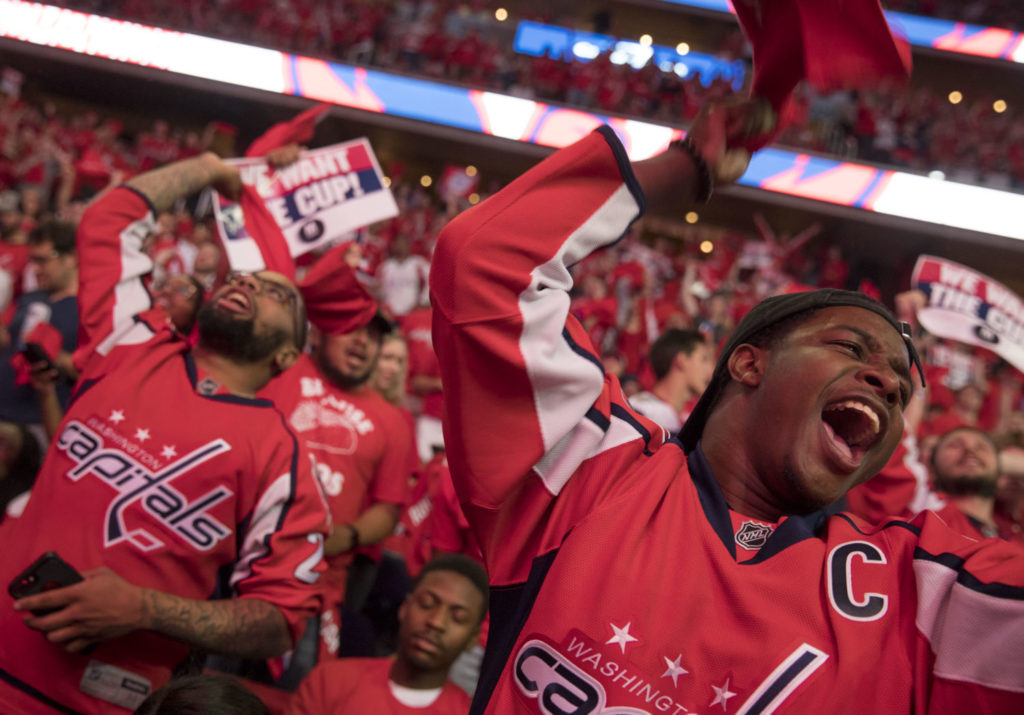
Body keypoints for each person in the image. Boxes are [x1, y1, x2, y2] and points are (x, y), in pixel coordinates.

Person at [429, 99, 1024, 713]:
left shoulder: (916, 595)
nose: (887, 383)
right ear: (749, 362)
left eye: (901, 390)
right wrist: (685, 169)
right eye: (851, 347)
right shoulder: (592, 469)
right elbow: (486, 264)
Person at [0, 151, 330, 713]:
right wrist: (210, 166)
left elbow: (277, 621)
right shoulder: (129, 343)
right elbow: (110, 218)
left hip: (98, 701)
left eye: (276, 294)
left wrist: (143, 609)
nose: (247, 284)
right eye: (243, 276)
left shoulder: (283, 460)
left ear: (287, 354)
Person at [260, 249, 414, 661]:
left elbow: (388, 506)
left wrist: (344, 537)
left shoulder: (393, 420)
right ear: (318, 333)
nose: (363, 340)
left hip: (314, 589)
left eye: (373, 333)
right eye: (351, 328)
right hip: (237, 562)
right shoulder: (278, 369)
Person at [287, 554, 487, 714]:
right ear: (404, 608)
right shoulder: (329, 682)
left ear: (472, 638)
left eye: (458, 617)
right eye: (427, 604)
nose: (436, 622)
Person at [0, 220, 79, 437]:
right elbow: (9, 342)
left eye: (42, 260)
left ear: (70, 258)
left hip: (38, 423)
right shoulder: (31, 297)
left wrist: (52, 355)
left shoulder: (88, 309)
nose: (35, 268)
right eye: (32, 260)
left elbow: (92, 370)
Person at [628, 328, 713, 432]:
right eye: (704, 359)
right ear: (682, 360)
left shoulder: (686, 419)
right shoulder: (643, 410)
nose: (711, 369)